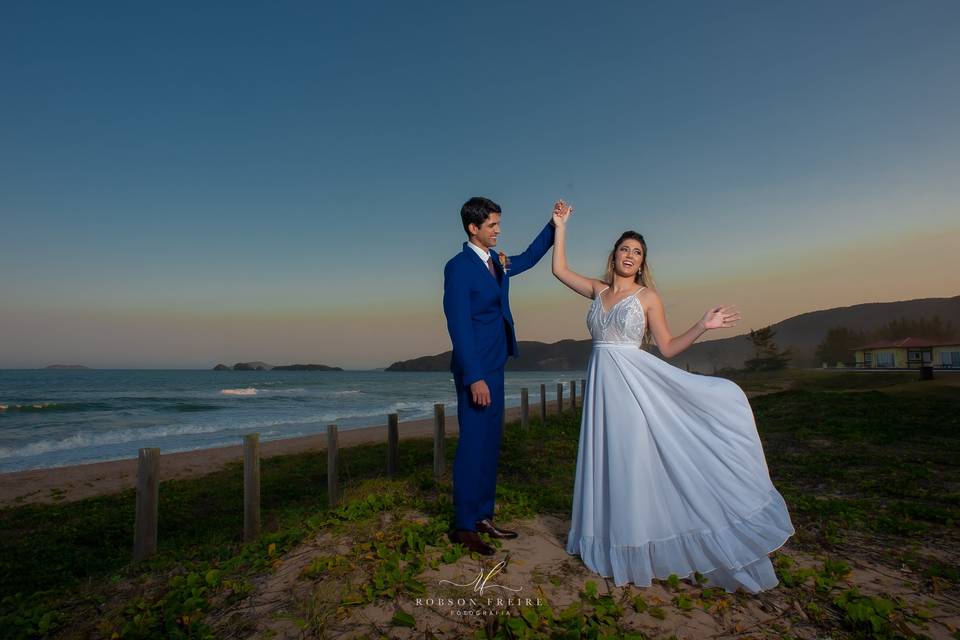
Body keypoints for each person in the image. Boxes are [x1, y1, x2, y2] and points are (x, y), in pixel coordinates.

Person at [551, 200, 795, 592]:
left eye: (637, 253)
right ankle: (607, 539)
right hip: (602, 387)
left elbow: (665, 347)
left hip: (632, 386)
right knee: (605, 458)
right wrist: (560, 226)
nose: (630, 256)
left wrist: (702, 324)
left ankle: (636, 545)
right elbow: (559, 270)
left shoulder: (648, 298)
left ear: (642, 262)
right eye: (625, 249)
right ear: (613, 255)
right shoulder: (597, 291)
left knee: (630, 460)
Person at [442, 196, 557, 556]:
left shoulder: (497, 261)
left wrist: (554, 225)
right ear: (473, 228)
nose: (498, 230)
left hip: (496, 365)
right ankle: (463, 525)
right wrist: (474, 376)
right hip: (475, 369)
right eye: (492, 225)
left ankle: (483, 517)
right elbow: (458, 324)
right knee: (473, 445)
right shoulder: (458, 267)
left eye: (498, 223)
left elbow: (529, 257)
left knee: (490, 445)